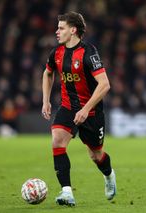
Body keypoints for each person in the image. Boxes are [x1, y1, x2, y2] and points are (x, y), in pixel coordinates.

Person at [41, 11, 116, 207]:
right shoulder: (56, 53)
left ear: (73, 30)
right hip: (67, 107)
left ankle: (108, 175)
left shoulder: (88, 53)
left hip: (91, 112)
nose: (57, 32)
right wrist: (45, 101)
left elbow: (105, 84)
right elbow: (48, 74)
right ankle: (67, 192)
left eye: (61, 28)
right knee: (57, 141)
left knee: (96, 155)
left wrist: (85, 109)